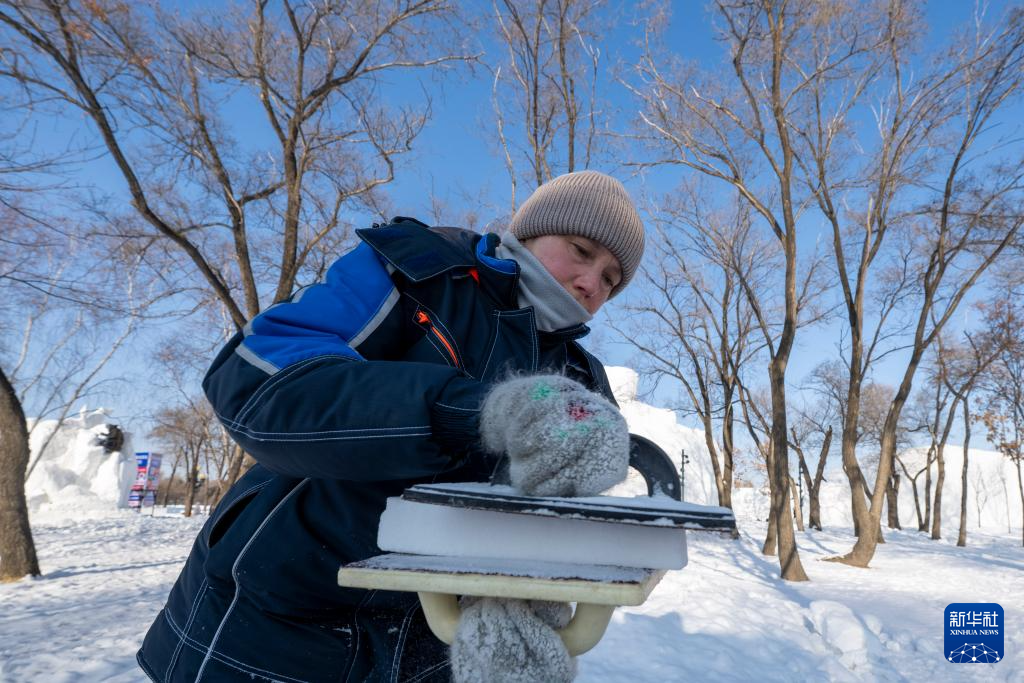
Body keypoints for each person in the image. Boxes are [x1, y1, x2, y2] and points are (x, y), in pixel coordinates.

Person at [137, 170, 645, 682]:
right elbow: (259, 380)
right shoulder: (419, 269)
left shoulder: (582, 381)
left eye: (610, 279)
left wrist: (520, 607)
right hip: (274, 622)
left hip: (433, 644)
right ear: (531, 231)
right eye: (581, 251)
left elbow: (550, 523)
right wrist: (471, 411)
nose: (590, 284)